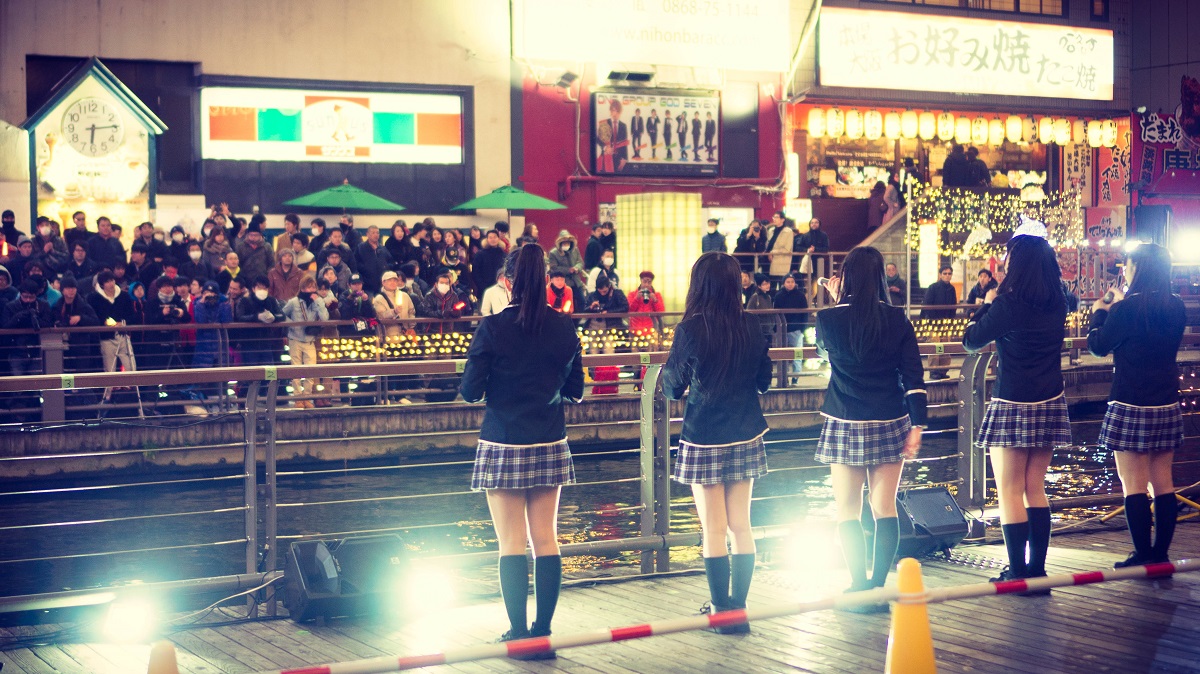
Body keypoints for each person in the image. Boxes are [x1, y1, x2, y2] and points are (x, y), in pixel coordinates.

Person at [459, 243, 584, 652]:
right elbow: (577, 391)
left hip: (503, 439)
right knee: (545, 538)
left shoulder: (492, 327)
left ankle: (517, 632)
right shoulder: (564, 327)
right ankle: (543, 629)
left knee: (510, 543)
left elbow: (470, 391)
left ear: (507, 282)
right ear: (546, 280)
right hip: (548, 438)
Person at [662, 252, 770, 633]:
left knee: (713, 528)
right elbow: (764, 381)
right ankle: (738, 608)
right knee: (742, 525)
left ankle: (720, 611)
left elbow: (672, 385)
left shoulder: (691, 329)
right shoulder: (753, 327)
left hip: (705, 435)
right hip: (746, 430)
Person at [815, 247, 925, 605]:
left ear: (845, 277)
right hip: (891, 418)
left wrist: (836, 302)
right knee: (884, 507)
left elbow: (821, 351)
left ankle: (858, 583)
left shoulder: (829, 319)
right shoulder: (898, 320)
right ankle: (879, 582)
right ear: (880, 277)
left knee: (847, 508)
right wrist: (918, 424)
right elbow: (913, 376)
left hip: (845, 419)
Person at [962, 234, 1069, 585]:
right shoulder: (1058, 304)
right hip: (1050, 399)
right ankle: (1037, 570)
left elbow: (972, 340)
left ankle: (1016, 572)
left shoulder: (1008, 305)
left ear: (1016, 264)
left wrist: (988, 302)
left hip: (1012, 402)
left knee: (1009, 489)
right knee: (1034, 486)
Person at [1087, 243, 1187, 567]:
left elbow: (1099, 346)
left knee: (1133, 485)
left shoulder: (1127, 309)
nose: (1125, 271)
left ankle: (1143, 554)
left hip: (1130, 401)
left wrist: (1099, 313)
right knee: (1163, 481)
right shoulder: (1176, 306)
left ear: (1138, 269)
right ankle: (1161, 554)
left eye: (1128, 266)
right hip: (1166, 401)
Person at [281, 277, 328, 409]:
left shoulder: (317, 301)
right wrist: (292, 325)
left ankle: (307, 397)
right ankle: (298, 398)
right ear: (302, 288)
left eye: (313, 287)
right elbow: (282, 314)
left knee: (311, 370)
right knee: (295, 370)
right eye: (308, 287)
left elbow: (325, 318)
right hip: (295, 339)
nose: (311, 290)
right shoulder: (294, 302)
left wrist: (318, 301)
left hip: (310, 340)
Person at [88, 270, 139, 377]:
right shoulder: (94, 298)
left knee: (131, 367)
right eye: (107, 281)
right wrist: (104, 322)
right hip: (106, 338)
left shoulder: (124, 296)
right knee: (109, 368)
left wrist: (123, 323)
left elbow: (133, 316)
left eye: (112, 280)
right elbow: (92, 316)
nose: (111, 283)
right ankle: (108, 393)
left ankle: (133, 390)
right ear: (102, 284)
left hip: (123, 335)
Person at [52, 274, 100, 372]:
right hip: (63, 346)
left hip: (81, 347)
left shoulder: (83, 304)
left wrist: (81, 318)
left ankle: (81, 388)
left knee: (82, 374)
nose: (71, 290)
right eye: (68, 288)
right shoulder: (58, 305)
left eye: (73, 288)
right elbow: (52, 321)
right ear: (62, 290)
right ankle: (68, 388)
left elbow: (95, 321)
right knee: (66, 373)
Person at [142, 276, 191, 370]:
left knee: (174, 367)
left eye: (170, 286)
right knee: (156, 367)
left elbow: (187, 318)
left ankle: (174, 384)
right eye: (164, 286)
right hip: (156, 341)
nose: (167, 289)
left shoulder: (178, 301)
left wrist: (181, 313)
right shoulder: (152, 302)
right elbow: (148, 321)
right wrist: (162, 314)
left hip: (173, 339)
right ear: (159, 288)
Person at [235, 276, 284, 368]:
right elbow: (240, 317)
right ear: (253, 289)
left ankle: (268, 382)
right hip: (249, 342)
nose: (262, 290)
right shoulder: (245, 301)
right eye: (259, 287)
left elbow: (282, 315)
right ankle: (251, 382)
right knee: (251, 370)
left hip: (267, 341)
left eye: (264, 288)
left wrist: (274, 318)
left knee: (269, 369)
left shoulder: (272, 301)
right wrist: (256, 317)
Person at [921, 265, 958, 379]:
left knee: (946, 346)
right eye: (945, 273)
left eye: (949, 273)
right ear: (940, 275)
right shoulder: (933, 287)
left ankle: (943, 370)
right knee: (934, 346)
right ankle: (933, 371)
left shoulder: (951, 289)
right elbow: (927, 304)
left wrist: (951, 320)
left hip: (946, 322)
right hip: (934, 322)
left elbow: (953, 305)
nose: (947, 276)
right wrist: (930, 321)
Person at [773, 273, 809, 375]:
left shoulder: (800, 295)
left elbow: (805, 313)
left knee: (797, 355)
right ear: (783, 283)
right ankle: (783, 375)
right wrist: (776, 329)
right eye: (788, 282)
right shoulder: (779, 296)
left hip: (796, 329)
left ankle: (796, 376)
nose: (790, 284)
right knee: (783, 355)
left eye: (792, 282)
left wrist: (803, 329)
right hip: (782, 330)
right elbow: (776, 313)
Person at [373, 270, 417, 339]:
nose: (393, 282)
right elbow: (381, 315)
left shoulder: (405, 295)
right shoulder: (378, 299)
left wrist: (411, 327)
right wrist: (394, 312)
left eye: (395, 280)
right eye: (390, 280)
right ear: (383, 282)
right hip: (389, 337)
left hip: (406, 336)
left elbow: (411, 312)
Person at [548, 230, 586, 300]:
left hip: (577, 282)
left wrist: (577, 268)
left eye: (568, 243)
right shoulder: (553, 253)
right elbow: (554, 268)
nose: (566, 244)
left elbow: (580, 262)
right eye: (564, 243)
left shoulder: (575, 250)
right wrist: (568, 270)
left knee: (582, 301)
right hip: (563, 284)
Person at [355, 225, 393, 295]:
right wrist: (365, 269)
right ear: (367, 234)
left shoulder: (382, 248)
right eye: (373, 233)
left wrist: (386, 267)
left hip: (382, 284)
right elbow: (356, 263)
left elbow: (390, 261)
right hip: (367, 285)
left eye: (377, 233)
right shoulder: (361, 247)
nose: (376, 235)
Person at [627, 271, 664, 341]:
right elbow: (629, 310)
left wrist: (655, 300)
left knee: (651, 351)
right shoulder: (632, 294)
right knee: (635, 351)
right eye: (644, 282)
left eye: (649, 282)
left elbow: (661, 312)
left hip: (651, 330)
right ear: (640, 281)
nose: (646, 285)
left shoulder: (656, 295)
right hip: (635, 330)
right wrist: (636, 298)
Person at [479, 253, 515, 318]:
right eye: (501, 277)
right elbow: (485, 310)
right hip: (496, 321)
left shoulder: (515, 290)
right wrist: (493, 321)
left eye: (506, 277)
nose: (503, 279)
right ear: (497, 278)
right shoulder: (490, 291)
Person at [471, 230, 507, 295]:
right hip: (484, 290)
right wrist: (482, 287)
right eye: (490, 237)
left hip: (501, 288)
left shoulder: (503, 255)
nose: (493, 239)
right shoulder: (480, 254)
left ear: (499, 239)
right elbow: (475, 273)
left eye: (495, 237)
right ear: (487, 239)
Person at [598, 99, 629, 172]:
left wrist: (624, 159)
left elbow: (624, 144)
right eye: (613, 110)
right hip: (607, 157)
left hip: (619, 159)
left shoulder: (623, 126)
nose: (615, 114)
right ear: (610, 111)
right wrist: (605, 148)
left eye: (617, 111)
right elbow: (598, 139)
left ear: (620, 112)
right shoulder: (604, 123)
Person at [765, 211, 794, 283]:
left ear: (782, 219)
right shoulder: (771, 230)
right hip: (768, 260)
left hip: (781, 261)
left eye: (776, 217)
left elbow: (787, 249)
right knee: (769, 283)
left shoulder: (788, 231)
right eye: (773, 217)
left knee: (779, 282)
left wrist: (772, 252)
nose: (774, 219)